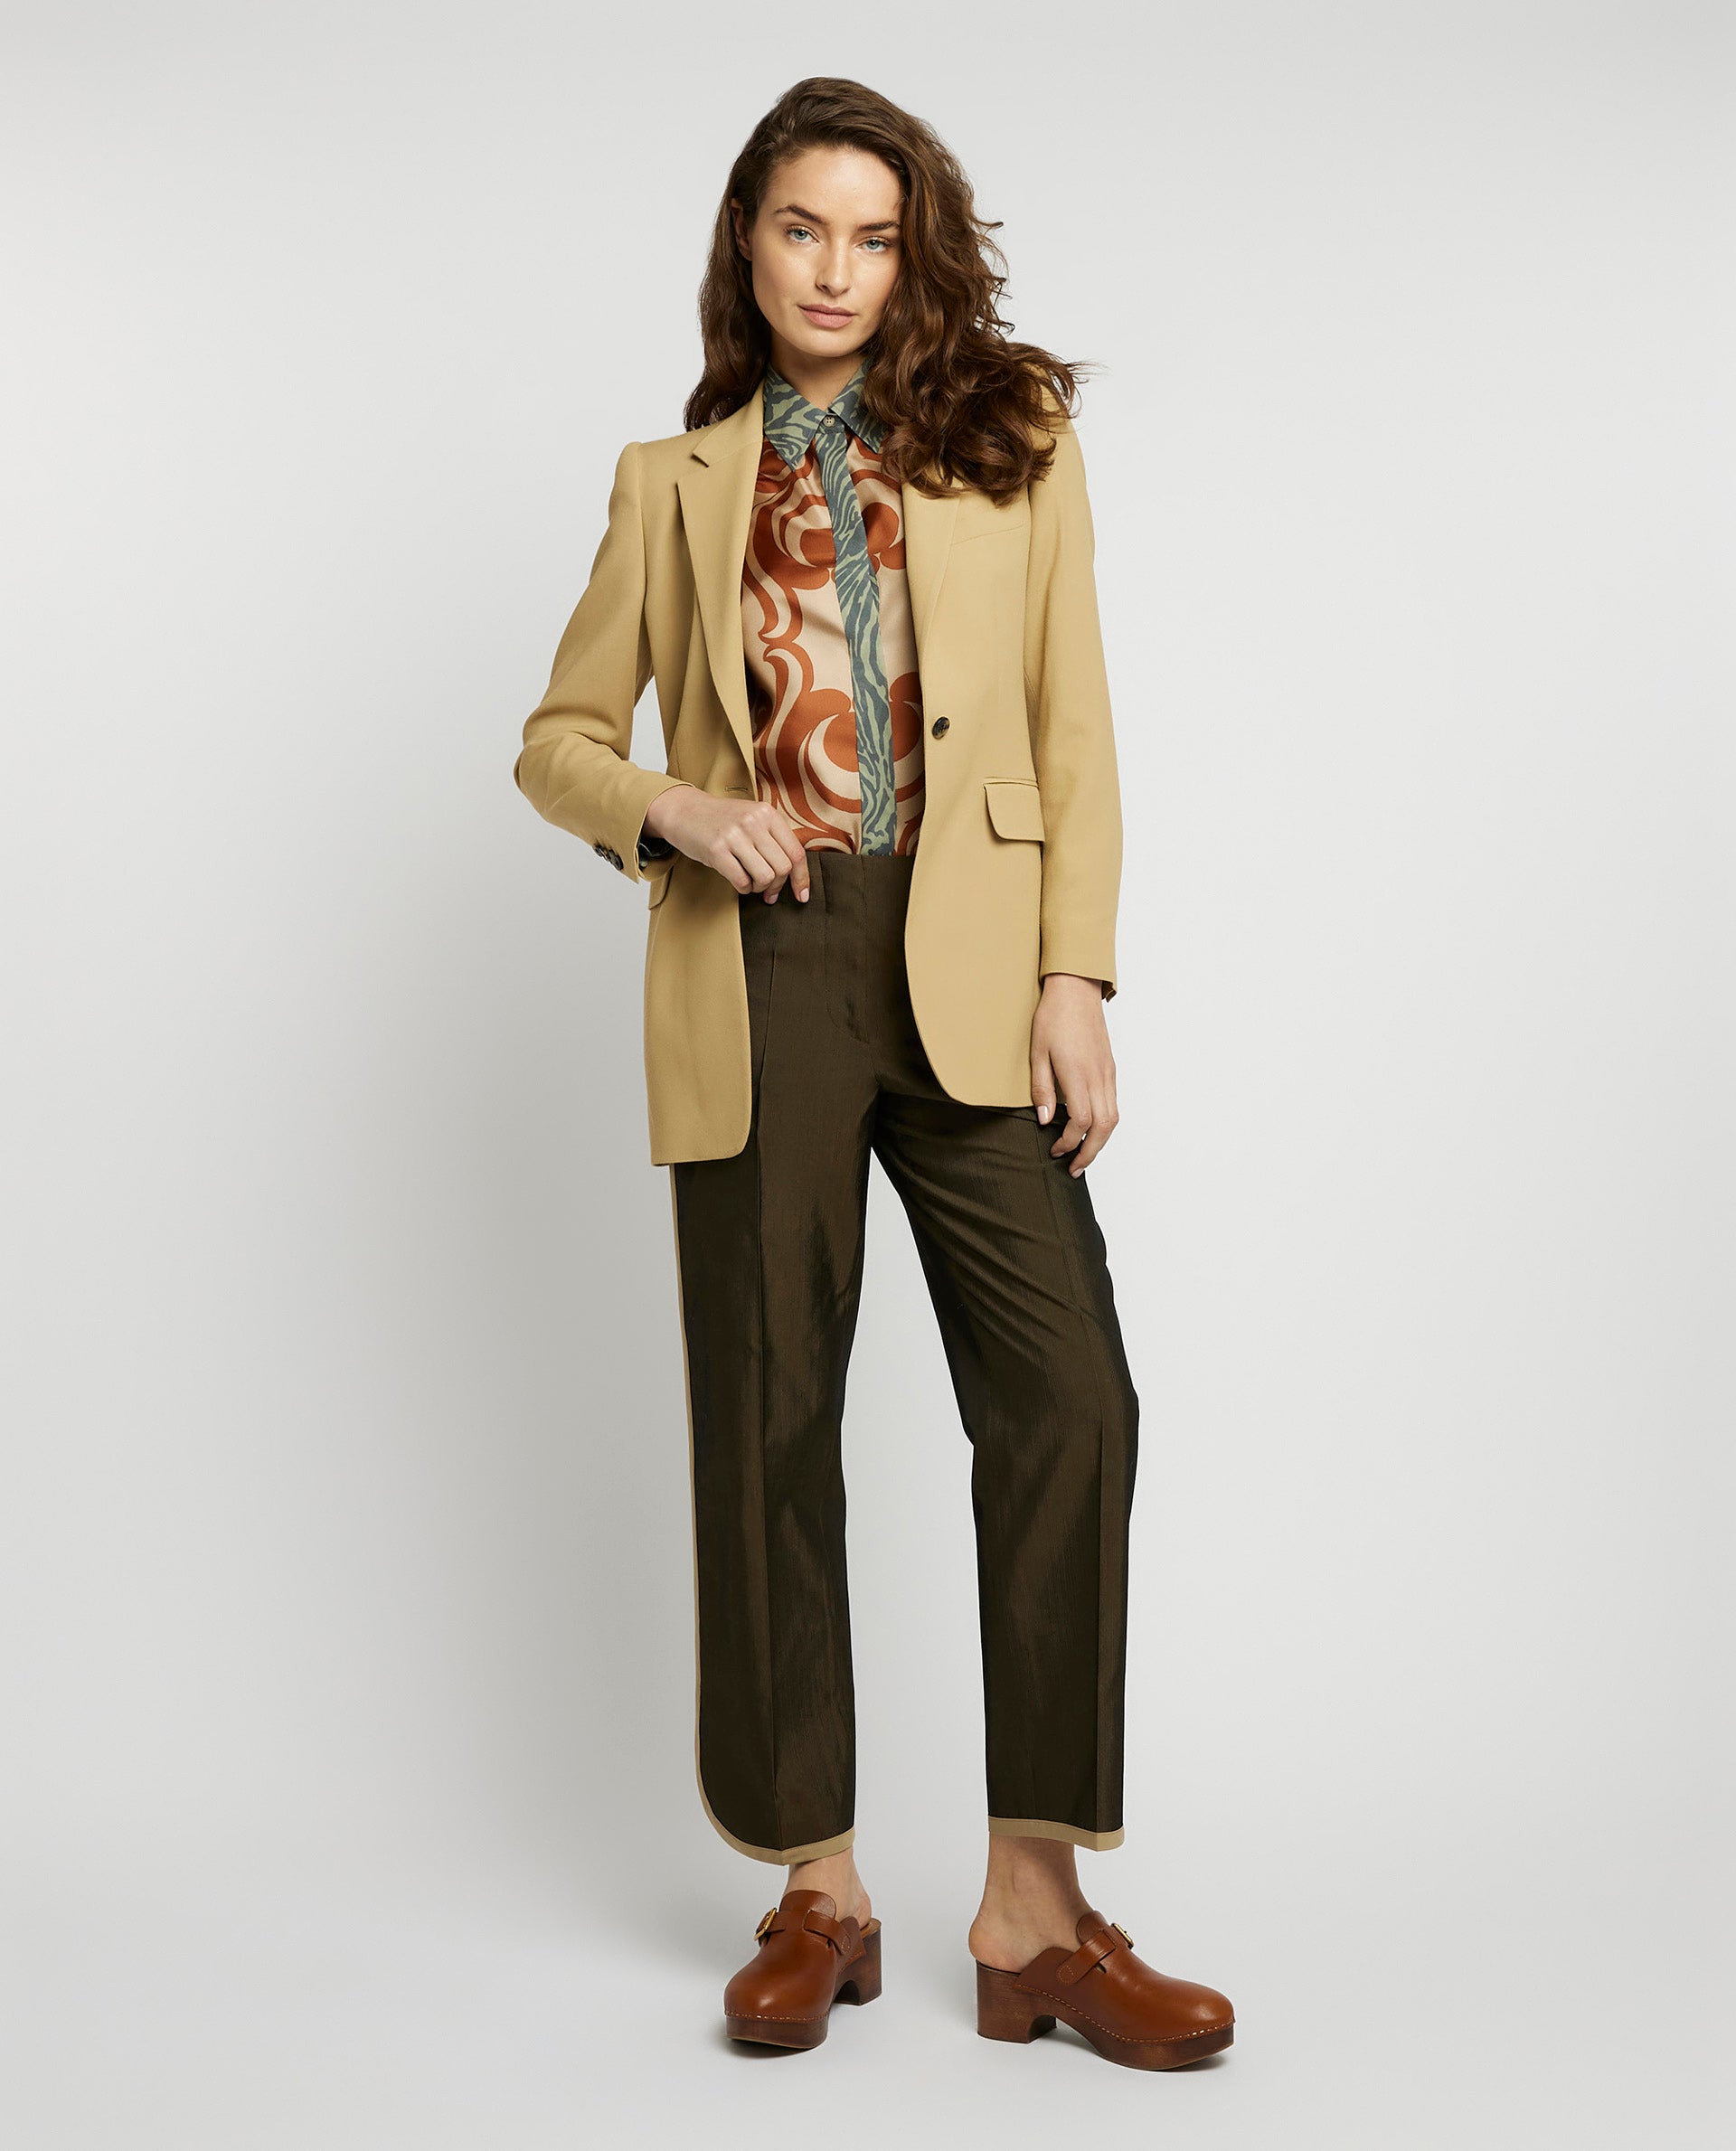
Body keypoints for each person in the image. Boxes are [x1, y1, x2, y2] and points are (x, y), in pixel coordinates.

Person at [513, 76, 1234, 2070]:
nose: (834, 269)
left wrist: (1075, 972)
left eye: (873, 235)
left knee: (1069, 1396)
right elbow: (555, 738)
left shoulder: (1015, 438)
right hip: (761, 969)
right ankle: (817, 1890)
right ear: (747, 245)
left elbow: (1074, 719)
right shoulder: (672, 480)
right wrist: (672, 805)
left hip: (976, 963)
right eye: (799, 229)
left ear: (914, 255)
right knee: (770, 1421)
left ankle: (1035, 1913)